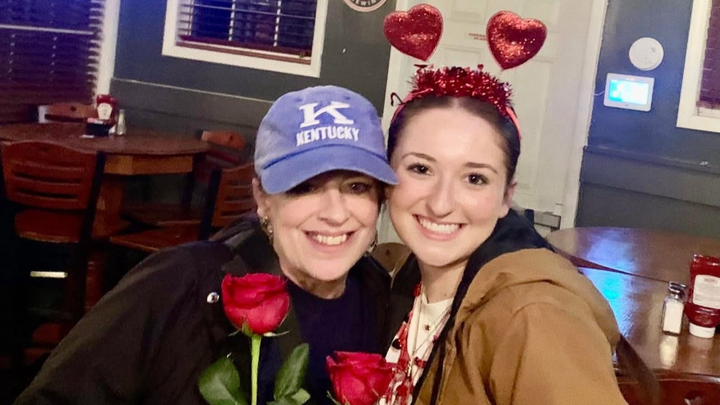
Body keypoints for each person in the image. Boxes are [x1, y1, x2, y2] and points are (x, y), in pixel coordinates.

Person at [14, 85, 398, 405]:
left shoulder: (382, 299)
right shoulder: (179, 285)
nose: (335, 213)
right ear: (262, 198)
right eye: (305, 187)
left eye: (356, 186)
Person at [380, 66, 657, 405]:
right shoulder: (407, 276)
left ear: (506, 198)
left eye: (475, 179)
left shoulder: (537, 319)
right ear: (387, 176)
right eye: (421, 169)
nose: (440, 204)